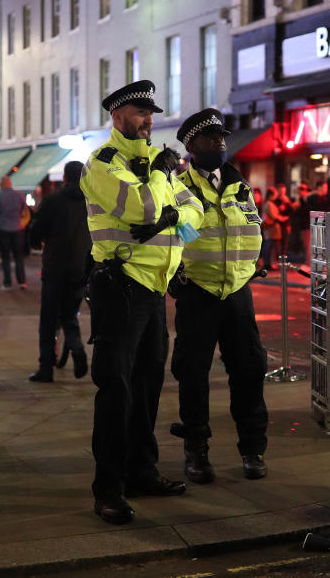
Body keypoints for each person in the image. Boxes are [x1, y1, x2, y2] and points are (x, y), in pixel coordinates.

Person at [80, 80, 203, 525]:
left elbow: (195, 213)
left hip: (154, 288)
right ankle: (108, 489)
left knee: (149, 384)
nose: (148, 120)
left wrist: (176, 214)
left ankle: (141, 471)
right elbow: (143, 211)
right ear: (117, 117)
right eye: (138, 112)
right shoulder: (102, 163)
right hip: (121, 286)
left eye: (150, 113)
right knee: (116, 388)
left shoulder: (159, 162)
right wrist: (161, 191)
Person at [170, 108, 269, 484]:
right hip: (198, 291)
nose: (221, 144)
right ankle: (196, 451)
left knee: (249, 370)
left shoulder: (239, 185)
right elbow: (179, 234)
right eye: (212, 139)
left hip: (238, 292)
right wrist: (181, 273)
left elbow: (249, 231)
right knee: (192, 374)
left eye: (222, 138)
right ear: (192, 145)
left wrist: (249, 266)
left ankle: (253, 449)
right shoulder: (179, 187)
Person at [28, 161, 92, 383]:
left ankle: (46, 368)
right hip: (81, 267)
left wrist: (36, 242)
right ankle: (76, 346)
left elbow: (36, 229)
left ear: (64, 178)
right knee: (68, 314)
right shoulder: (91, 199)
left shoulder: (53, 199)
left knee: (48, 320)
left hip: (55, 266)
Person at [0, 175, 27, 290]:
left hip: (3, 229)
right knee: (18, 256)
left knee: (5, 257)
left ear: (1, 184)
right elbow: (25, 212)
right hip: (17, 229)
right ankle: (22, 282)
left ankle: (7, 283)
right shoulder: (19, 195)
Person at [260, 187, 288, 270]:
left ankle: (269, 264)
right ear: (271, 195)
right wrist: (282, 218)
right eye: (275, 193)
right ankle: (267, 264)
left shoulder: (269, 203)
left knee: (271, 247)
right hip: (271, 229)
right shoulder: (269, 204)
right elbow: (274, 216)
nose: (276, 195)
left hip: (272, 229)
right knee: (269, 247)